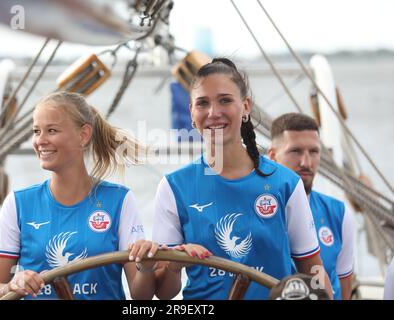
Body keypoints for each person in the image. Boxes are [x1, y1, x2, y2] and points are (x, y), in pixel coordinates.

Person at [152, 58, 333, 300]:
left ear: (246, 106)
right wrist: (174, 264)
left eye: (225, 100)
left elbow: (313, 270)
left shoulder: (285, 183)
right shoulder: (174, 188)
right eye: (203, 103)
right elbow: (164, 294)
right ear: (192, 113)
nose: (213, 113)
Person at [0, 92, 158, 300]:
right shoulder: (18, 204)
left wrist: (146, 267)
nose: (40, 140)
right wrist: (12, 285)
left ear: (83, 135)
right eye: (36, 131)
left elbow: (142, 298)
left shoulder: (119, 201)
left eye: (51, 131)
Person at [268, 113, 355, 300]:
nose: (306, 163)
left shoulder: (340, 214)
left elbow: (344, 286)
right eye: (295, 151)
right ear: (273, 156)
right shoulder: (256, 211)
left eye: (313, 152)